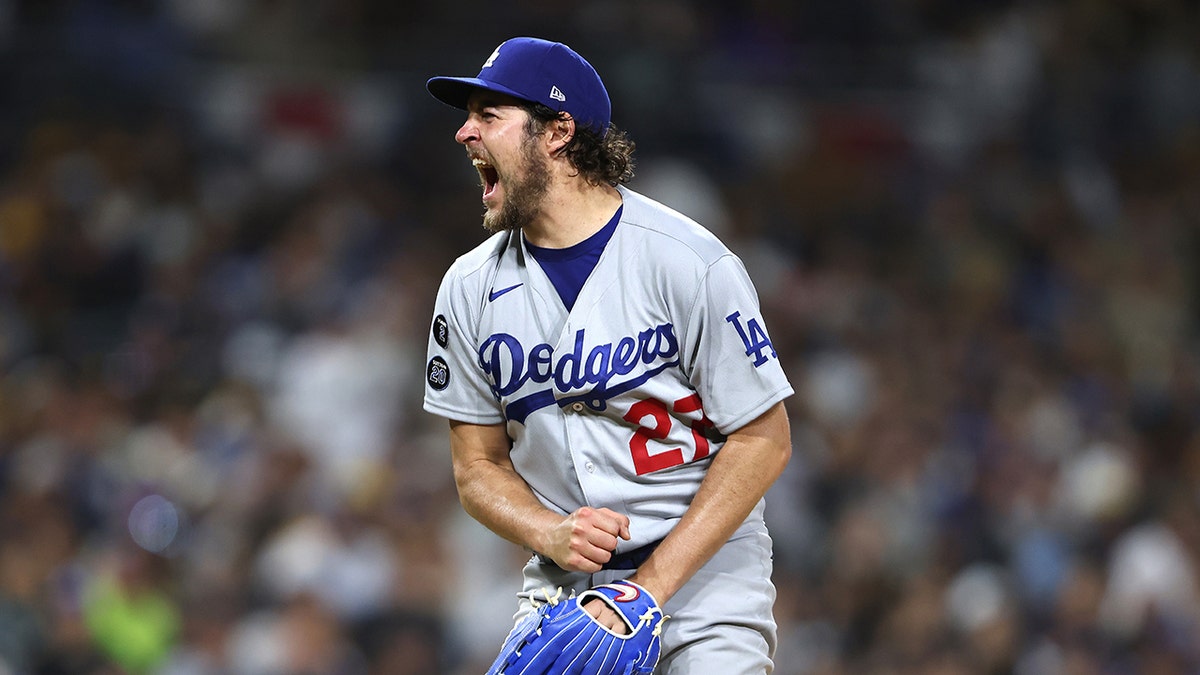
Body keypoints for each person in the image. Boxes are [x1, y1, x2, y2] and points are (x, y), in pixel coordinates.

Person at [422, 36, 793, 673]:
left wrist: (647, 590)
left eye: (488, 117)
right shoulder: (468, 286)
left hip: (703, 581)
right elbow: (475, 467)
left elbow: (765, 439)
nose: (464, 134)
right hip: (565, 585)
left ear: (558, 131)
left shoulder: (687, 262)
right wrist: (545, 532)